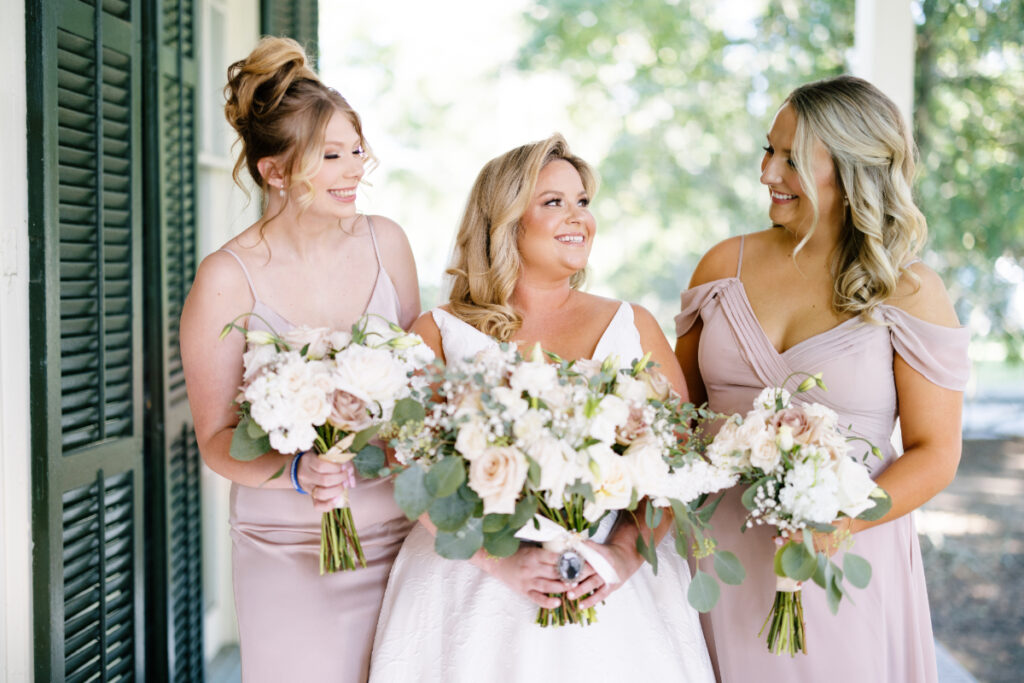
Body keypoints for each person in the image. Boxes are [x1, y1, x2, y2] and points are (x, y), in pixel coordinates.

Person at [369, 134, 714, 682]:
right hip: (472, 590)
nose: (578, 216)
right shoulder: (439, 333)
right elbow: (407, 469)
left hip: (613, 595)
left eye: (582, 201)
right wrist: (498, 562)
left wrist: (624, 553)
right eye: (553, 202)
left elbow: (677, 465)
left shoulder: (633, 326)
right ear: (505, 221)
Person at [675, 75, 969, 682]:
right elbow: (679, 417)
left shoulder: (909, 291)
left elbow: (935, 452)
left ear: (851, 166)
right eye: (767, 150)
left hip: (842, 556)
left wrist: (841, 523)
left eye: (788, 157)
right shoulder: (722, 264)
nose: (766, 173)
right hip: (718, 553)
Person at [180, 37, 420, 682]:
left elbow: (417, 387)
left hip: (403, 535)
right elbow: (215, 440)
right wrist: (296, 471)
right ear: (276, 172)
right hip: (288, 546)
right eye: (330, 156)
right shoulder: (225, 280)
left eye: (355, 150)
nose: (352, 171)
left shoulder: (387, 243)